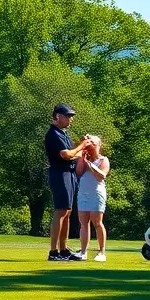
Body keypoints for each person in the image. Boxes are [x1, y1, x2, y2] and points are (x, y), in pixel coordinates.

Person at [46, 103, 89, 262]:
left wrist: (84, 150)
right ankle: (53, 251)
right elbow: (66, 154)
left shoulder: (63, 134)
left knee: (68, 211)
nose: (70, 119)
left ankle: (63, 249)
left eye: (71, 116)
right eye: (67, 116)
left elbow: (74, 154)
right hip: (59, 173)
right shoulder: (54, 134)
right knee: (61, 211)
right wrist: (81, 146)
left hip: (68, 173)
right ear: (57, 116)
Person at [75, 135, 110, 262]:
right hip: (83, 193)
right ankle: (83, 251)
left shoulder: (103, 160)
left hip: (96, 193)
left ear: (98, 144)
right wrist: (82, 158)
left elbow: (101, 176)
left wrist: (89, 164)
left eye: (92, 142)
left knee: (97, 222)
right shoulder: (84, 158)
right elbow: (78, 172)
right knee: (84, 223)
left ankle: (102, 252)